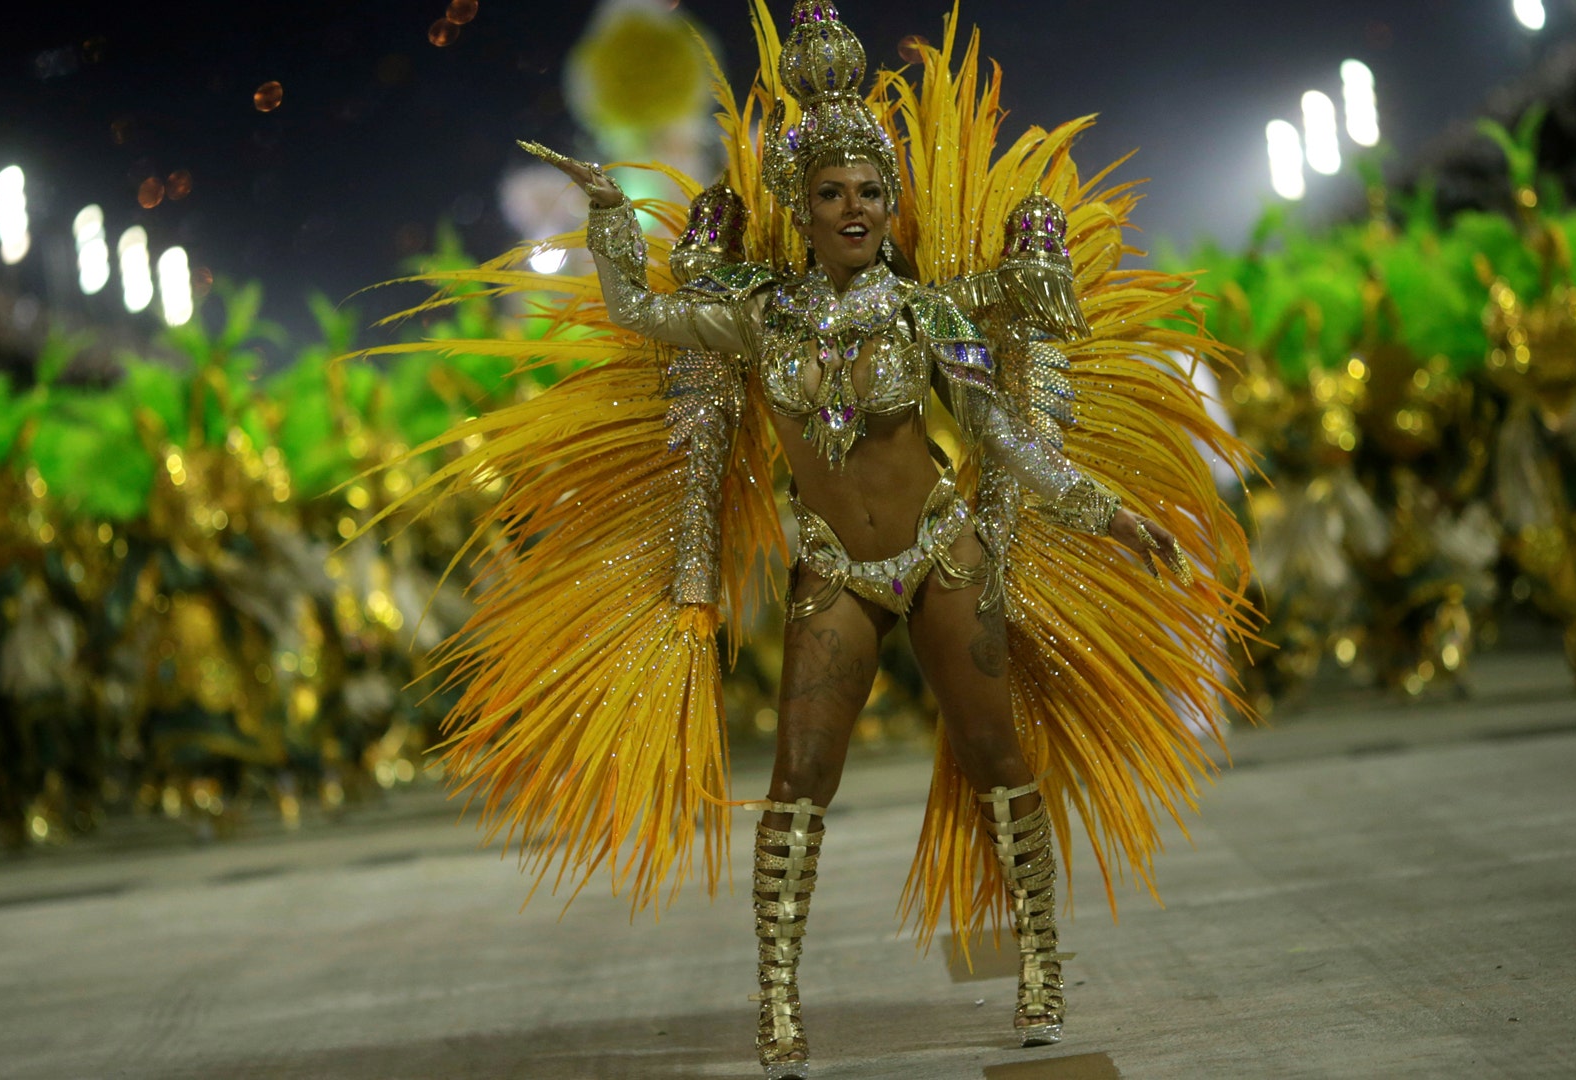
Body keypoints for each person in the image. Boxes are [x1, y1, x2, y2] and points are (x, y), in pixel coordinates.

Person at [369, 4, 1252, 1077]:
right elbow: (639, 312)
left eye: (871, 191)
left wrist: (1110, 513)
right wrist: (608, 213)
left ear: (890, 203)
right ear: (802, 206)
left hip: (942, 554)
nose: (855, 207)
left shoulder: (929, 314)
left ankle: (1042, 968)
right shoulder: (759, 314)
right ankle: (779, 1002)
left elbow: (1005, 436)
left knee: (997, 758)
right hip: (836, 571)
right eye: (833, 192)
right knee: (798, 780)